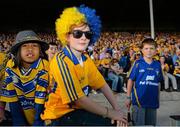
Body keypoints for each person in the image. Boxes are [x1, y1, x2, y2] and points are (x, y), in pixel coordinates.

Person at [41, 5, 127, 126]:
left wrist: (117, 110)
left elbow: (102, 85)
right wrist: (110, 113)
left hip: (78, 113)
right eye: (77, 33)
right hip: (58, 117)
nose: (83, 38)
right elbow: (78, 100)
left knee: (117, 122)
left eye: (88, 34)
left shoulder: (85, 59)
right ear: (67, 36)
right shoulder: (60, 60)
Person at [0, 30, 49, 126]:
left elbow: (40, 102)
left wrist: (37, 123)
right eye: (25, 46)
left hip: (44, 118)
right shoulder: (10, 66)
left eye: (34, 46)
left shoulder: (44, 66)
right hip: (23, 115)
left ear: (40, 51)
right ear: (18, 51)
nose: (30, 49)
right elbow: (12, 98)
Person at [125, 38, 164, 126]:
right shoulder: (137, 63)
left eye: (151, 48)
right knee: (139, 124)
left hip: (152, 101)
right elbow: (130, 80)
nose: (149, 51)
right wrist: (128, 98)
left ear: (155, 50)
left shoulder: (157, 65)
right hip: (139, 101)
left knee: (151, 125)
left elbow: (158, 83)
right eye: (146, 48)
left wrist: (158, 99)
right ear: (142, 50)